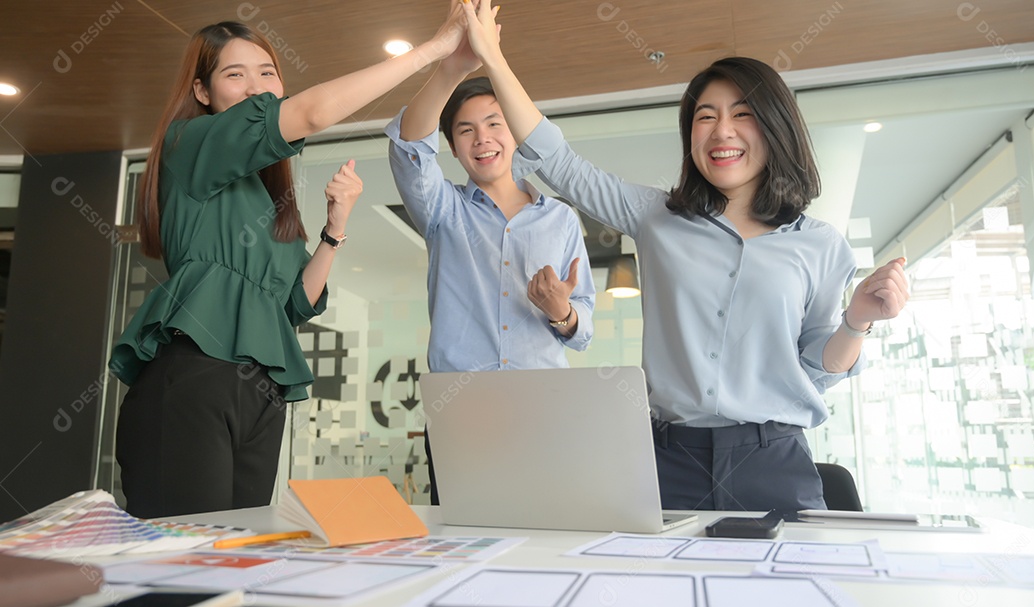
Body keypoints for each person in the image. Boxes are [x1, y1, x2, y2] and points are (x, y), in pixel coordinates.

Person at [460, 0, 909, 512]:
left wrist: (857, 321)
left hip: (772, 461)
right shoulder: (656, 217)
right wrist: (493, 58)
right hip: (669, 460)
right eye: (705, 116)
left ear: (775, 128)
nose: (721, 131)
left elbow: (816, 371)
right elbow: (559, 162)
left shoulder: (821, 244)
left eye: (742, 115)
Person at [109, 5, 468, 518]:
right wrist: (434, 50)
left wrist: (335, 227)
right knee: (189, 556)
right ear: (202, 91)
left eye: (267, 73)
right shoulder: (189, 144)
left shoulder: (261, 193)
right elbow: (314, 114)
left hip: (261, 392)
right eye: (235, 75)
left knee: (240, 551)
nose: (257, 88)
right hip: (193, 375)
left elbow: (295, 302)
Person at [385, 22, 595, 504]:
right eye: (466, 130)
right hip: (463, 411)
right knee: (464, 534)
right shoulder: (442, 210)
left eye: (495, 124)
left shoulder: (561, 219)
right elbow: (408, 147)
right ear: (453, 147)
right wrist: (450, 68)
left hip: (545, 408)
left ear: (515, 132)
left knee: (545, 530)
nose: (482, 139)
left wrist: (562, 312)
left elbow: (582, 329)